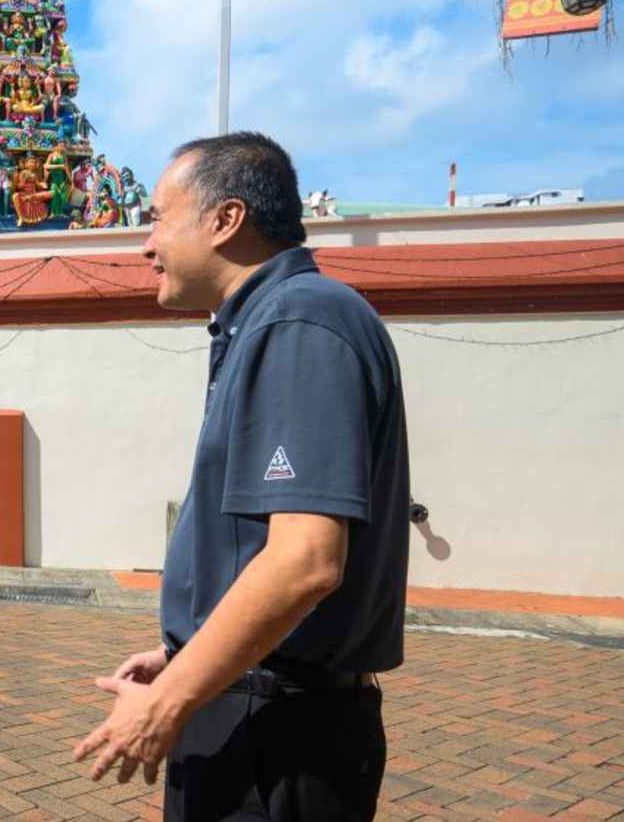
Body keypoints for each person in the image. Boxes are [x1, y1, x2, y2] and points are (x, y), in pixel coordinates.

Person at [74, 132, 410, 821]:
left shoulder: (299, 320)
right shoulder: (270, 322)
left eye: (159, 218)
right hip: (253, 705)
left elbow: (305, 560)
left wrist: (168, 703)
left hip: (279, 737)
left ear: (226, 220)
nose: (145, 244)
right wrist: (191, 657)